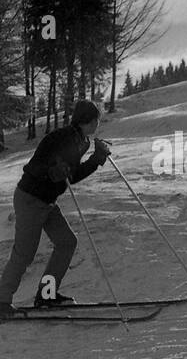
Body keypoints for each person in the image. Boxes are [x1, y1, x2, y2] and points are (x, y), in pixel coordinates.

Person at [0, 99, 111, 315]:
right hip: (30, 199)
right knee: (24, 253)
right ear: (89, 120)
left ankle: (46, 295)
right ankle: (2, 301)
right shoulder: (59, 137)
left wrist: (96, 158)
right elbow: (35, 165)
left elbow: (73, 176)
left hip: (48, 202)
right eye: (97, 119)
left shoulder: (83, 142)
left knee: (67, 242)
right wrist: (50, 171)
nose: (98, 123)